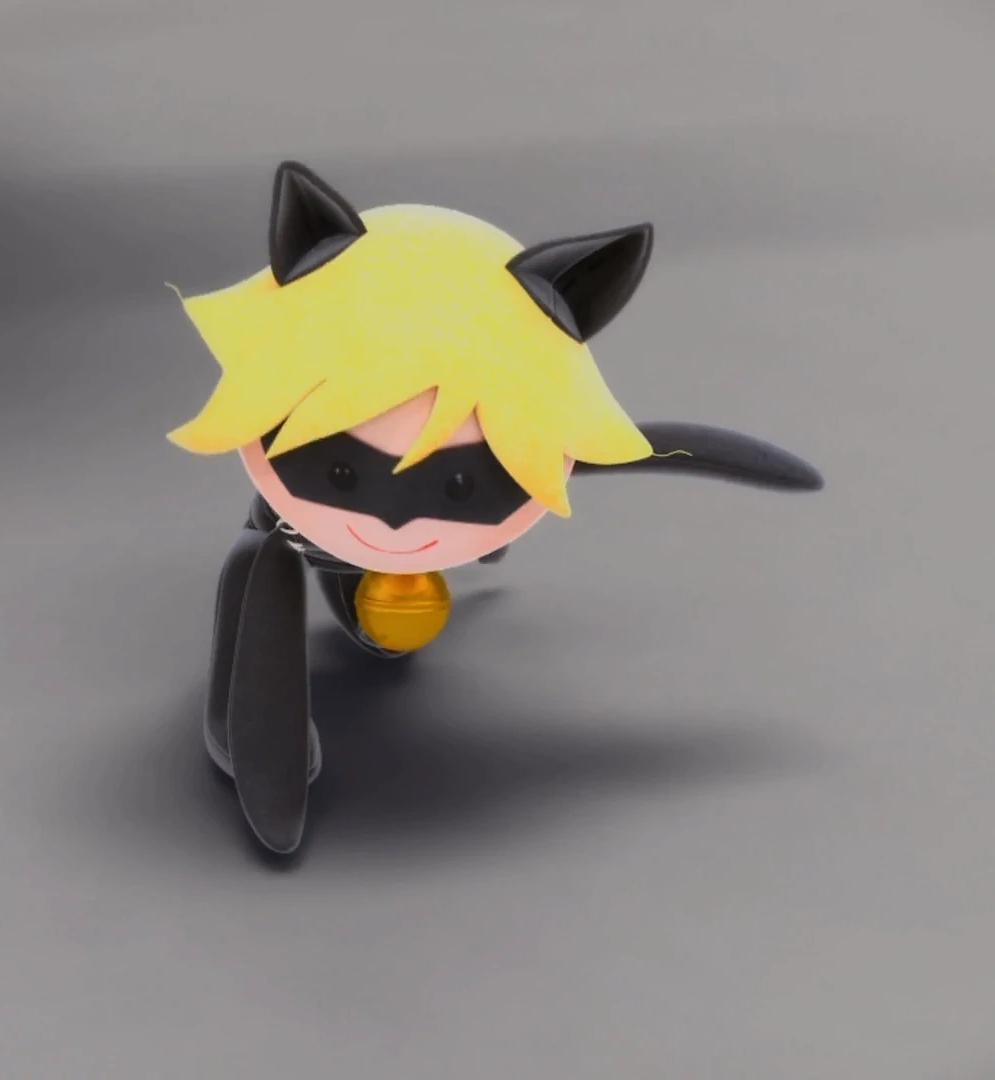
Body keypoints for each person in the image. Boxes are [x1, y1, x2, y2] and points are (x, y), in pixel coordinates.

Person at [167, 160, 822, 856]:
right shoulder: (288, 510)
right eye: (342, 470)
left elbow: (611, 447)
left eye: (456, 486)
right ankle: (243, 719)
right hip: (295, 539)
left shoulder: (531, 429)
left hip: (350, 561)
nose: (395, 518)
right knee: (262, 559)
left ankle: (312, 654)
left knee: (294, 564)